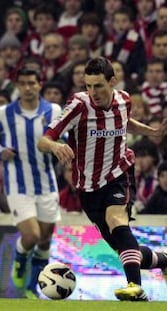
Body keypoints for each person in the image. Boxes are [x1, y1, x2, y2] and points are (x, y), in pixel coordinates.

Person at [37, 57, 167, 301]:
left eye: (99, 86)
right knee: (125, 250)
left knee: (116, 219)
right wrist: (54, 146)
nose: (93, 92)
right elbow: (45, 139)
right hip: (88, 187)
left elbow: (126, 123)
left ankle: (135, 287)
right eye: (89, 86)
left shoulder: (124, 100)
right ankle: (164, 261)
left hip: (119, 173)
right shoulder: (78, 105)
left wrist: (154, 131)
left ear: (113, 81)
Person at [0, 68, 62, 298]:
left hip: (47, 184)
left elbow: (62, 138)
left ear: (39, 85)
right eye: (23, 83)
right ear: (17, 85)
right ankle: (19, 261)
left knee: (45, 240)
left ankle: (31, 288)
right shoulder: (4, 113)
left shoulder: (53, 110)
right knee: (32, 236)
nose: (27, 88)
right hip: (18, 185)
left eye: (31, 83)